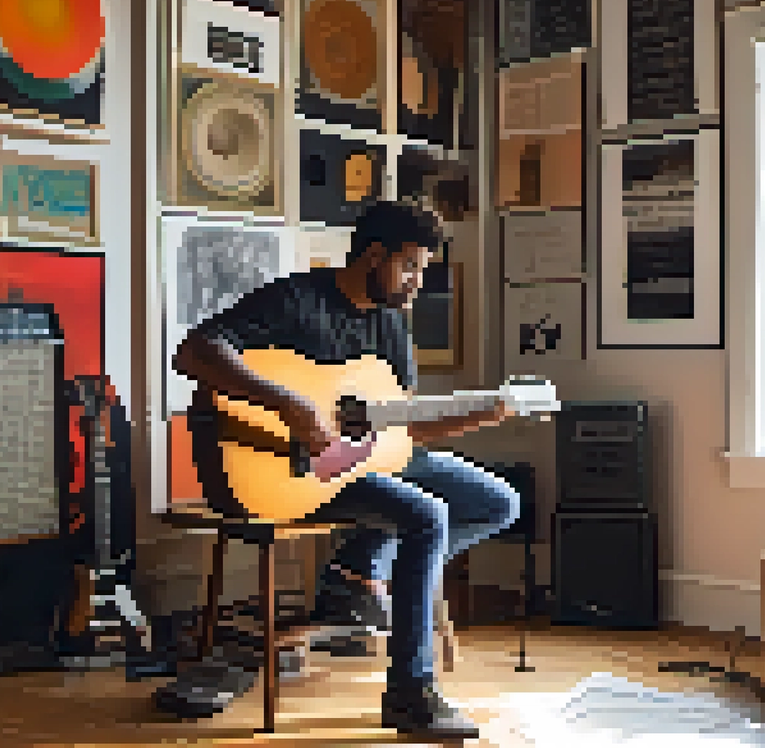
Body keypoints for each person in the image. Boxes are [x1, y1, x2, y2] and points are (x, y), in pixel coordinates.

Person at [171, 200, 520, 739]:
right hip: (280, 465)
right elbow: (194, 352)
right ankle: (410, 691)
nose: (417, 283)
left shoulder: (392, 329)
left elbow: (402, 433)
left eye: (424, 270)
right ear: (373, 255)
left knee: (500, 501)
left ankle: (360, 571)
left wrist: (480, 417)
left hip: (366, 463)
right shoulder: (296, 299)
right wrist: (289, 403)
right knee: (424, 515)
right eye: (409, 267)